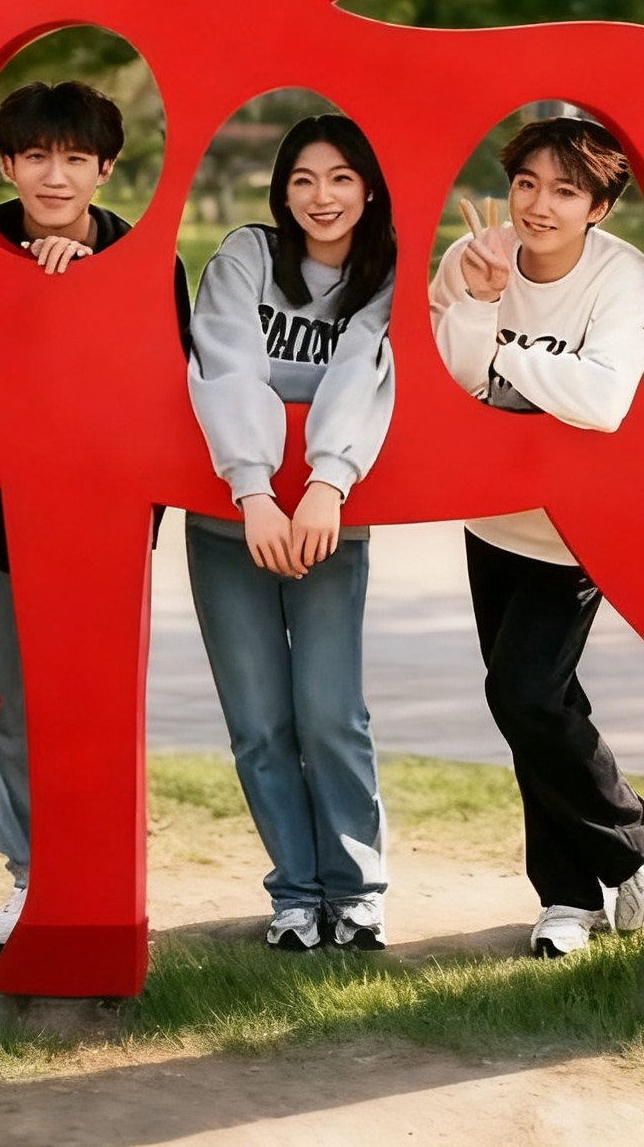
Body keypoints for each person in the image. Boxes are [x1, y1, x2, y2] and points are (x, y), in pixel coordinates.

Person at [0, 80, 187, 952]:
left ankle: (92, 879)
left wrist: (89, 299)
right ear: (6, 164)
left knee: (92, 714)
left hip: (106, 527)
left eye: (76, 158)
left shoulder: (147, 258)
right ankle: (29, 877)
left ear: (106, 168)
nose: (55, 176)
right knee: (9, 707)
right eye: (37, 157)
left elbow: (167, 398)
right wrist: (34, 298)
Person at [430, 113, 644, 960]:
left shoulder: (621, 276)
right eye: (527, 183)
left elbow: (608, 400)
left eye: (565, 191)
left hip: (576, 528)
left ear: (598, 209)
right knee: (535, 708)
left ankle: (638, 835)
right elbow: (450, 381)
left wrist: (502, 344)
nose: (538, 205)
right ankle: (565, 899)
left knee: (525, 695)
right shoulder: (475, 257)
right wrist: (486, 299)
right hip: (490, 518)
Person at [186, 114, 396, 952]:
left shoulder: (381, 273)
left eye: (341, 177)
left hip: (323, 521)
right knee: (260, 720)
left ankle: (358, 889)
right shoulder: (247, 257)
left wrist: (324, 483)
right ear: (282, 191)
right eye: (303, 179)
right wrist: (250, 490)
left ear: (368, 188)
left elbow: (360, 368)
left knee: (329, 710)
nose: (322, 197)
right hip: (231, 519)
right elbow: (226, 364)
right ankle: (297, 894)